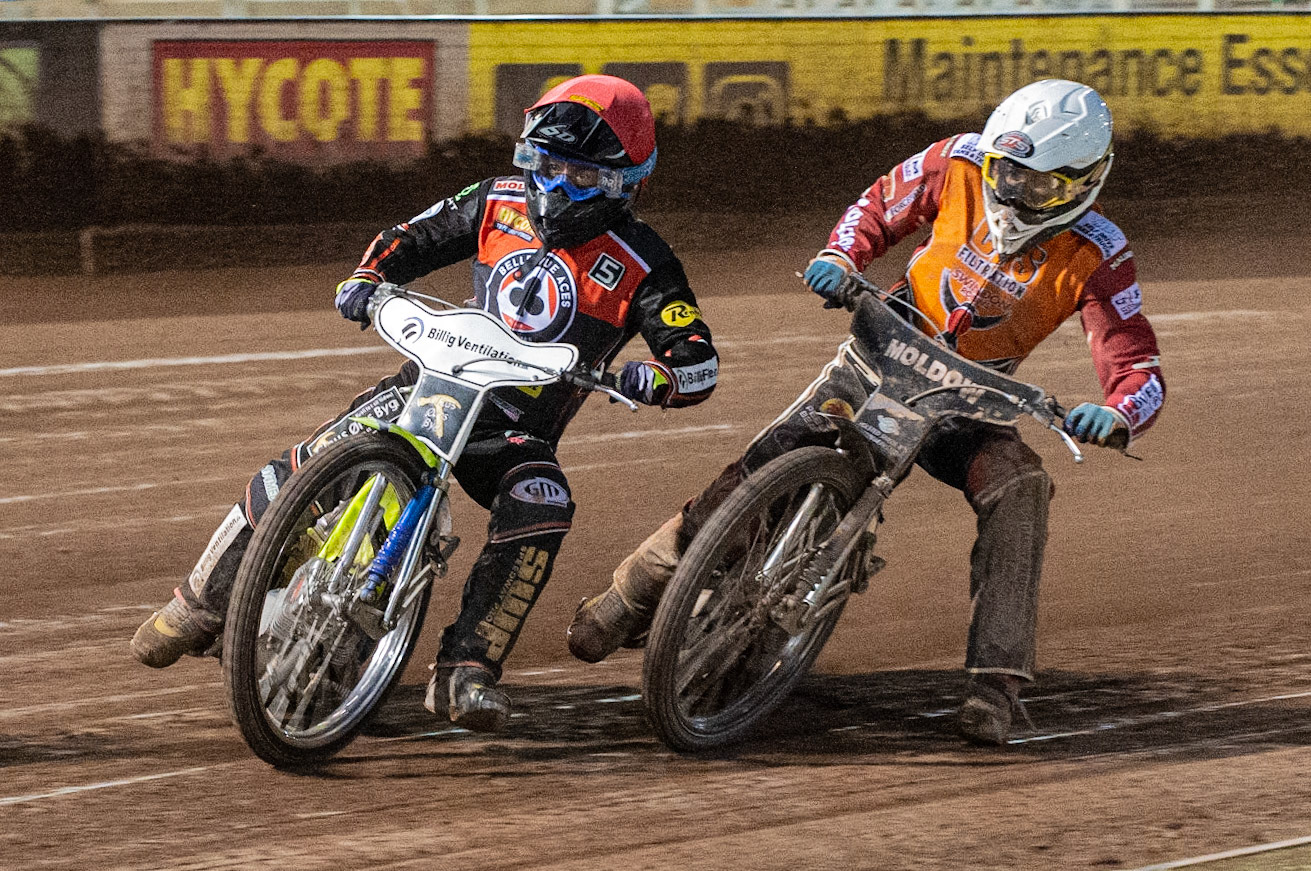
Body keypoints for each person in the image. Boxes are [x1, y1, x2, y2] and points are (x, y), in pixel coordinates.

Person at [566, 79, 1165, 745]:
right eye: (1007, 174)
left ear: (1086, 182)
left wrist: (1116, 414)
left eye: (1040, 186)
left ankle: (995, 680)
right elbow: (878, 204)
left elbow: (1138, 366)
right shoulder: (957, 160)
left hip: (972, 401)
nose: (1014, 194)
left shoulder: (1101, 250)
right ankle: (632, 591)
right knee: (767, 459)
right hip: (883, 349)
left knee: (1020, 483)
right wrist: (838, 254)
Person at [130, 74, 719, 733]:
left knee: (542, 503)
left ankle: (466, 666)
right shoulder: (495, 200)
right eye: (545, 166)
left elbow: (696, 358)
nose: (555, 187)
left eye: (579, 176)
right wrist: (368, 277)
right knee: (304, 465)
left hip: (514, 433)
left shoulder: (646, 262)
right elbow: (408, 238)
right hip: (427, 389)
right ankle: (199, 603)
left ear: (627, 182)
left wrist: (657, 379)